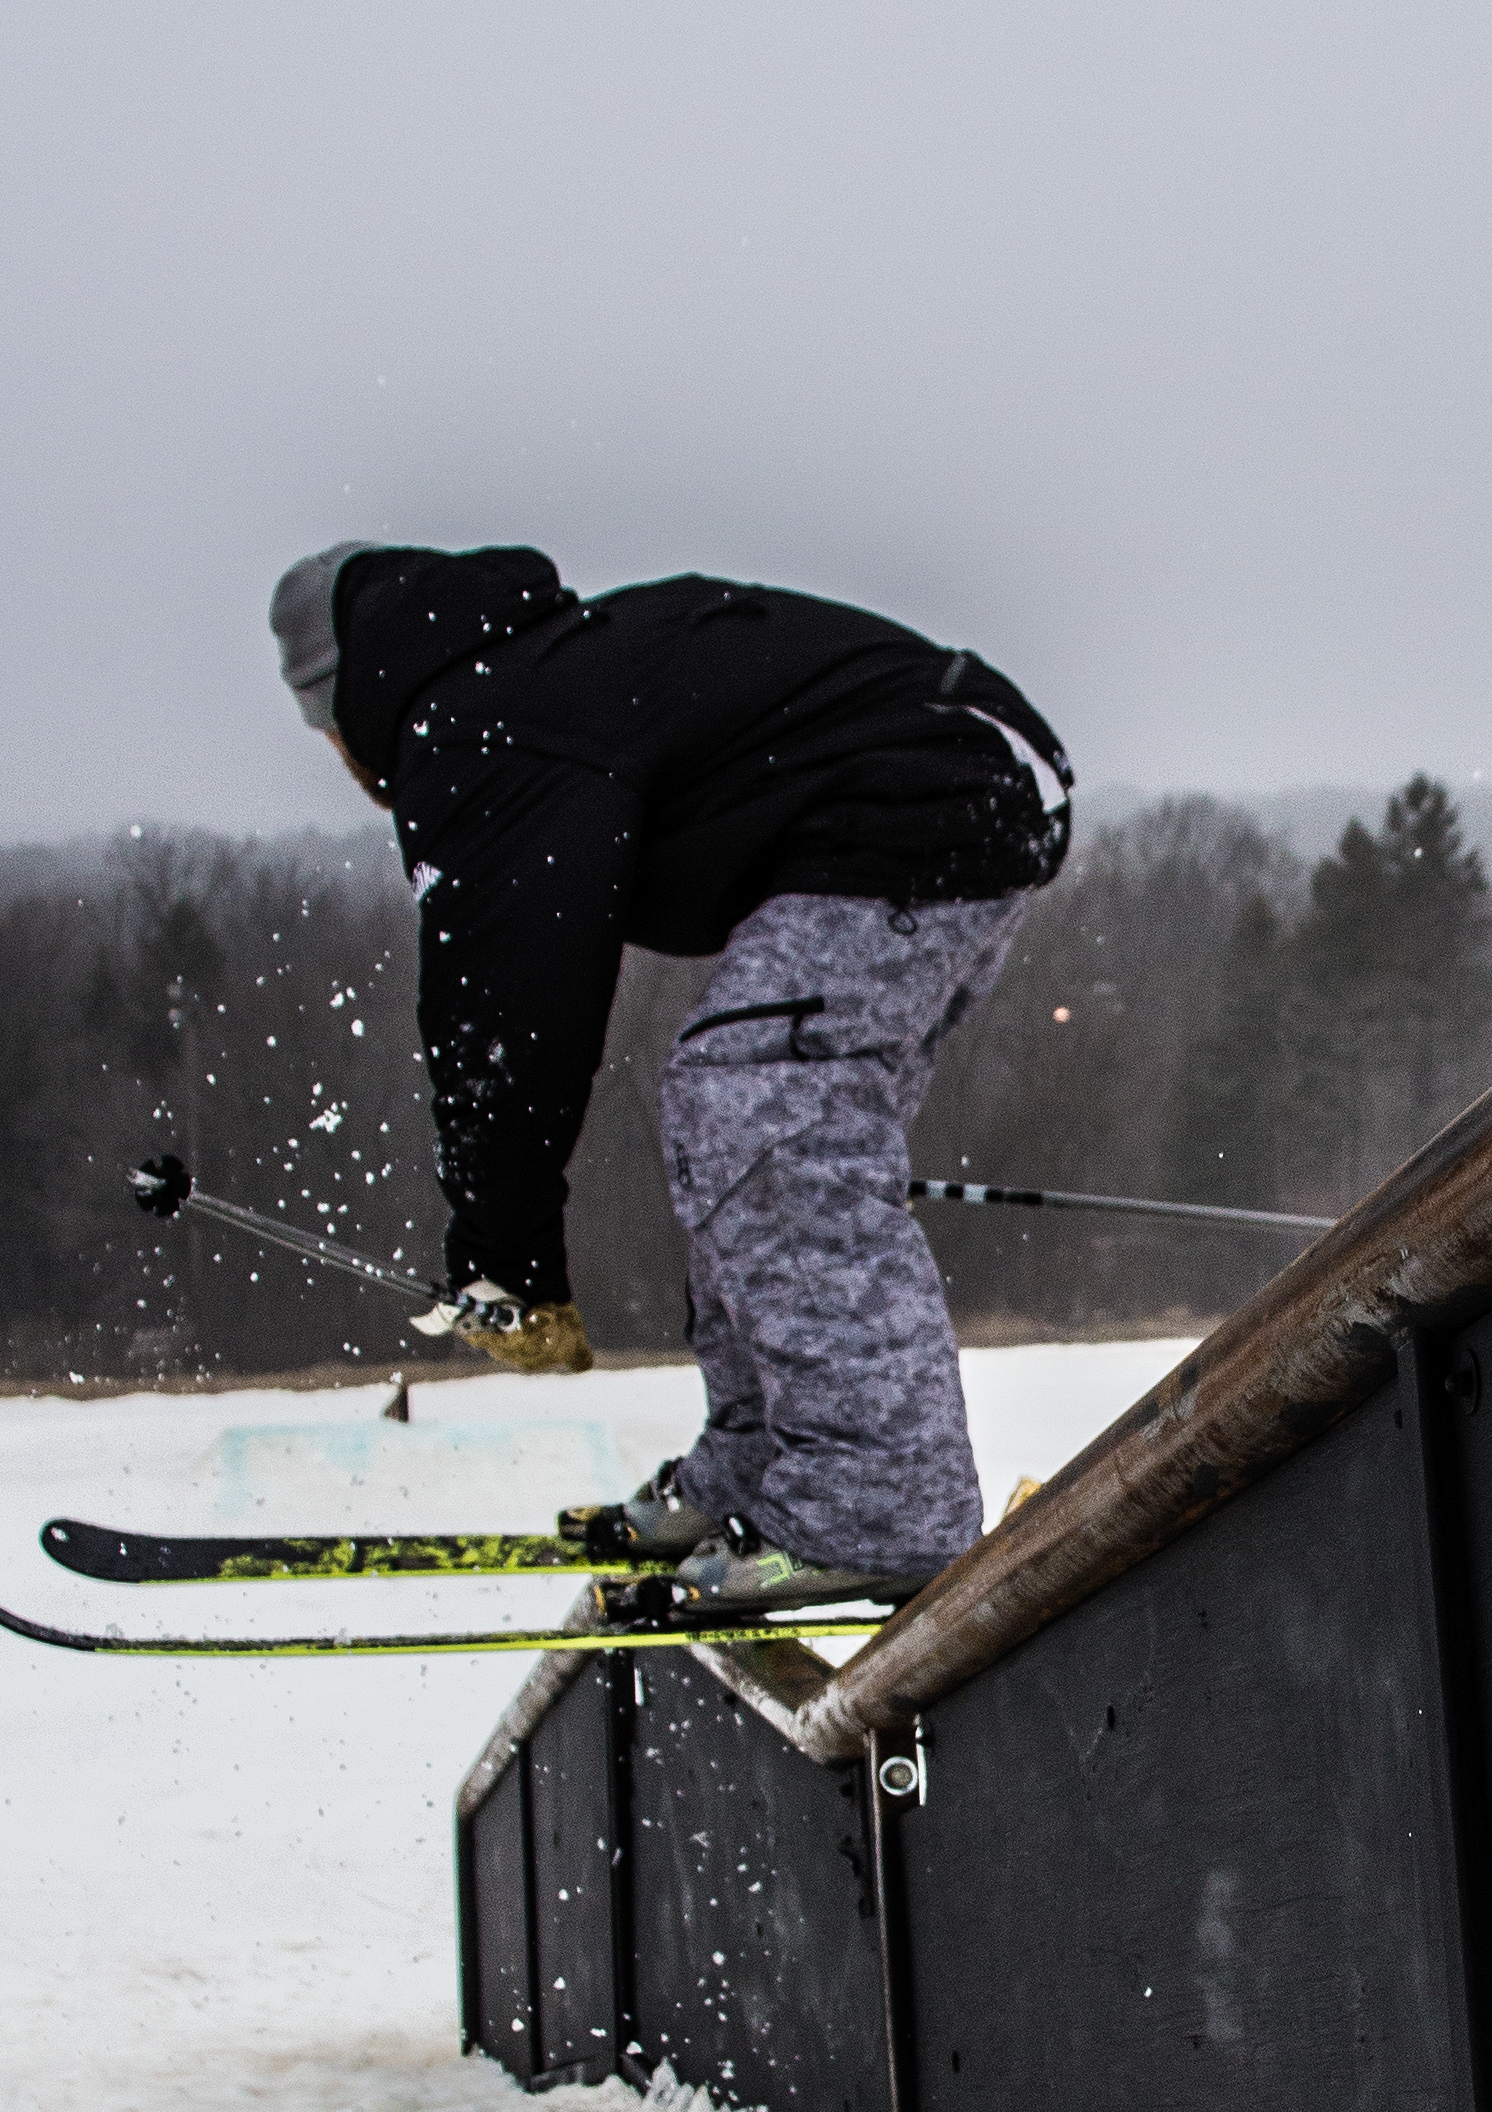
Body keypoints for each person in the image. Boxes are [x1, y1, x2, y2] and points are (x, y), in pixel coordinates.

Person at [268, 540, 1067, 1607]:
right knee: (732, 1107)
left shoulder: (476, 727)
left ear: (344, 703)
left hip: (929, 794)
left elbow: (506, 1009)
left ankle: (878, 1501)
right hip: (965, 779)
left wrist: (504, 1267)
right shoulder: (528, 681)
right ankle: (763, 1457)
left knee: (750, 1099)